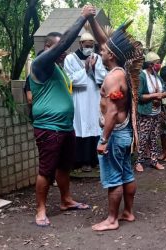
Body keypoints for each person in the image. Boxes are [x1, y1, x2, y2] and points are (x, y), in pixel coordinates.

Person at [29, 6, 95, 227]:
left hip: (66, 127)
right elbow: (65, 42)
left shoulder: (58, 68)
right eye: (60, 48)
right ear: (48, 47)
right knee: (46, 169)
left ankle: (66, 200)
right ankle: (40, 209)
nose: (65, 51)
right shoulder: (41, 64)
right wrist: (82, 18)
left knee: (64, 166)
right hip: (49, 128)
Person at [87, 10, 143, 231]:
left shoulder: (112, 78)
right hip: (124, 133)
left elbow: (110, 113)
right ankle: (128, 212)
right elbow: (105, 42)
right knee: (126, 174)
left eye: (103, 51)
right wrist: (91, 19)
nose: (100, 51)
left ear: (111, 55)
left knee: (113, 178)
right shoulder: (123, 71)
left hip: (114, 134)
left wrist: (103, 139)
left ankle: (112, 220)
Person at [64, 31, 107, 172]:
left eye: (91, 45)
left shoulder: (96, 57)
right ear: (80, 44)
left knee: (95, 125)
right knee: (80, 126)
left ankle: (94, 160)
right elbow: (69, 79)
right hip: (79, 97)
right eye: (86, 45)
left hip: (94, 95)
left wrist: (94, 67)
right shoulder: (70, 59)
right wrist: (86, 68)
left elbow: (103, 77)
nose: (89, 48)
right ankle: (80, 161)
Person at [134, 52, 166, 172]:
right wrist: (154, 95)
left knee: (154, 136)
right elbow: (139, 96)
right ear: (150, 64)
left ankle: (154, 160)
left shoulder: (157, 76)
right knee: (143, 137)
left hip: (156, 112)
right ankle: (139, 161)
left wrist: (162, 95)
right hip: (145, 112)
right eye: (157, 63)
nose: (159, 65)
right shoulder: (142, 76)